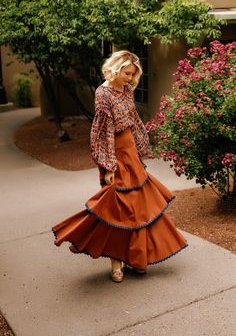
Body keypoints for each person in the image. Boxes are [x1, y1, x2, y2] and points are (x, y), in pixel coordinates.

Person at [52, 50, 188, 283]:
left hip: (130, 152)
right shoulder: (102, 93)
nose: (129, 78)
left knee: (139, 208)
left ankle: (137, 259)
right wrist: (108, 166)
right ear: (115, 69)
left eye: (132, 75)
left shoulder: (127, 90)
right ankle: (117, 265)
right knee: (118, 210)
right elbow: (102, 132)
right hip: (114, 154)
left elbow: (133, 118)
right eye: (127, 73)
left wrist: (142, 144)